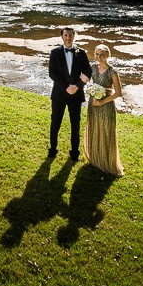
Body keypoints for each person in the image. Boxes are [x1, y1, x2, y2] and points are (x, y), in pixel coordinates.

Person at [47, 27, 92, 161]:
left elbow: (88, 72)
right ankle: (53, 149)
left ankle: (74, 152)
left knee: (75, 124)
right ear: (62, 36)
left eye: (70, 35)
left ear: (74, 36)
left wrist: (77, 86)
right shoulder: (55, 53)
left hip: (76, 95)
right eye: (65, 35)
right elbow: (52, 73)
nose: (68, 38)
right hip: (59, 94)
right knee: (55, 122)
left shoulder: (81, 53)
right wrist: (67, 87)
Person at [85, 44, 124, 176]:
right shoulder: (93, 67)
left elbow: (118, 93)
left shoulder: (112, 71)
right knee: (95, 128)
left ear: (107, 56)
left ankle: (107, 162)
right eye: (97, 54)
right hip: (93, 103)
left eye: (102, 54)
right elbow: (85, 79)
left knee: (106, 131)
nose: (99, 57)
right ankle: (95, 159)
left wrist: (102, 101)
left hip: (106, 105)